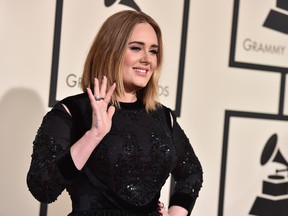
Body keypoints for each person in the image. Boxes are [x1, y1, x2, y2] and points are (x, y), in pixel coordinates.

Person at [27, 10, 203, 216]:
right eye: (136, 48)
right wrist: (94, 135)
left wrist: (176, 214)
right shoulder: (73, 111)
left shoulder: (163, 117)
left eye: (153, 51)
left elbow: (191, 173)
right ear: (111, 51)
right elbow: (43, 187)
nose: (147, 59)